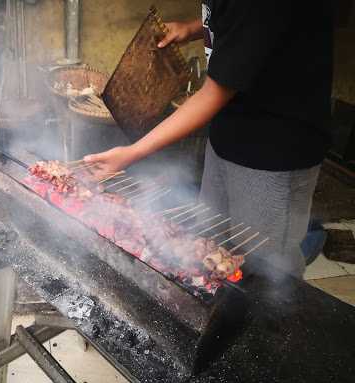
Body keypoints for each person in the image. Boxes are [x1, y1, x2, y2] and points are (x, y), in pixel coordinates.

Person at [84, 1, 334, 277]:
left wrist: (132, 153)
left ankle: (280, 320)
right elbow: (238, 30)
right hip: (230, 130)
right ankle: (221, 312)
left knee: (268, 267)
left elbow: (214, 93)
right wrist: (192, 29)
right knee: (211, 243)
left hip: (276, 150)